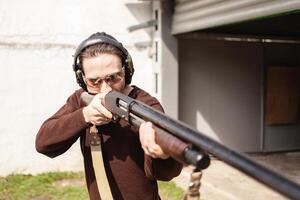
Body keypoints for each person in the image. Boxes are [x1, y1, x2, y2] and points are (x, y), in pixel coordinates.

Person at [35, 32, 183, 200]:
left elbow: (166, 173)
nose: (105, 89)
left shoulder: (145, 104)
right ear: (82, 79)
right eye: (94, 82)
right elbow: (43, 143)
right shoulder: (80, 100)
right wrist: (83, 116)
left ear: (126, 70)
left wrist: (163, 154)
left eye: (113, 78)